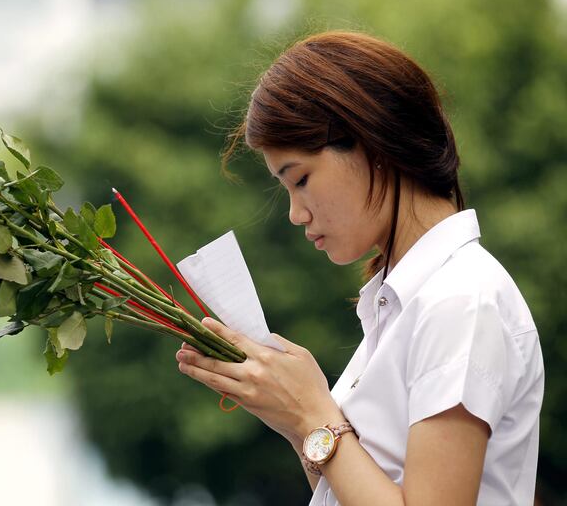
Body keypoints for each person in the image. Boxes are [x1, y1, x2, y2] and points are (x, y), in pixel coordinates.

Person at [175, 31, 544, 505]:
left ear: (372, 140)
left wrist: (313, 414)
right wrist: (294, 421)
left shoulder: (459, 301)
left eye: (301, 179)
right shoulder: (403, 304)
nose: (296, 213)